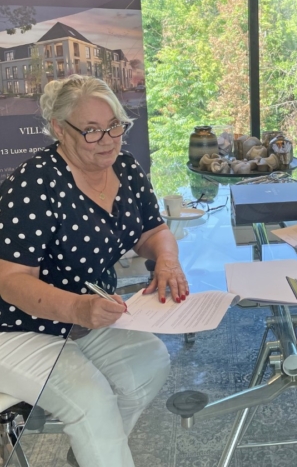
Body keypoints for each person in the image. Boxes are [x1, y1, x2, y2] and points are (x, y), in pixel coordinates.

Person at [0, 75, 188, 467]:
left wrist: (167, 261)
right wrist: (78, 309)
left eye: (115, 126)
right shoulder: (35, 183)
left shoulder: (125, 167)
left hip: (88, 316)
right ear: (59, 129)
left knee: (150, 365)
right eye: (91, 131)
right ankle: (100, 452)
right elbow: (11, 280)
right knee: (92, 401)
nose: (107, 140)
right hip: (17, 327)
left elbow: (153, 230)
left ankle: (92, 454)